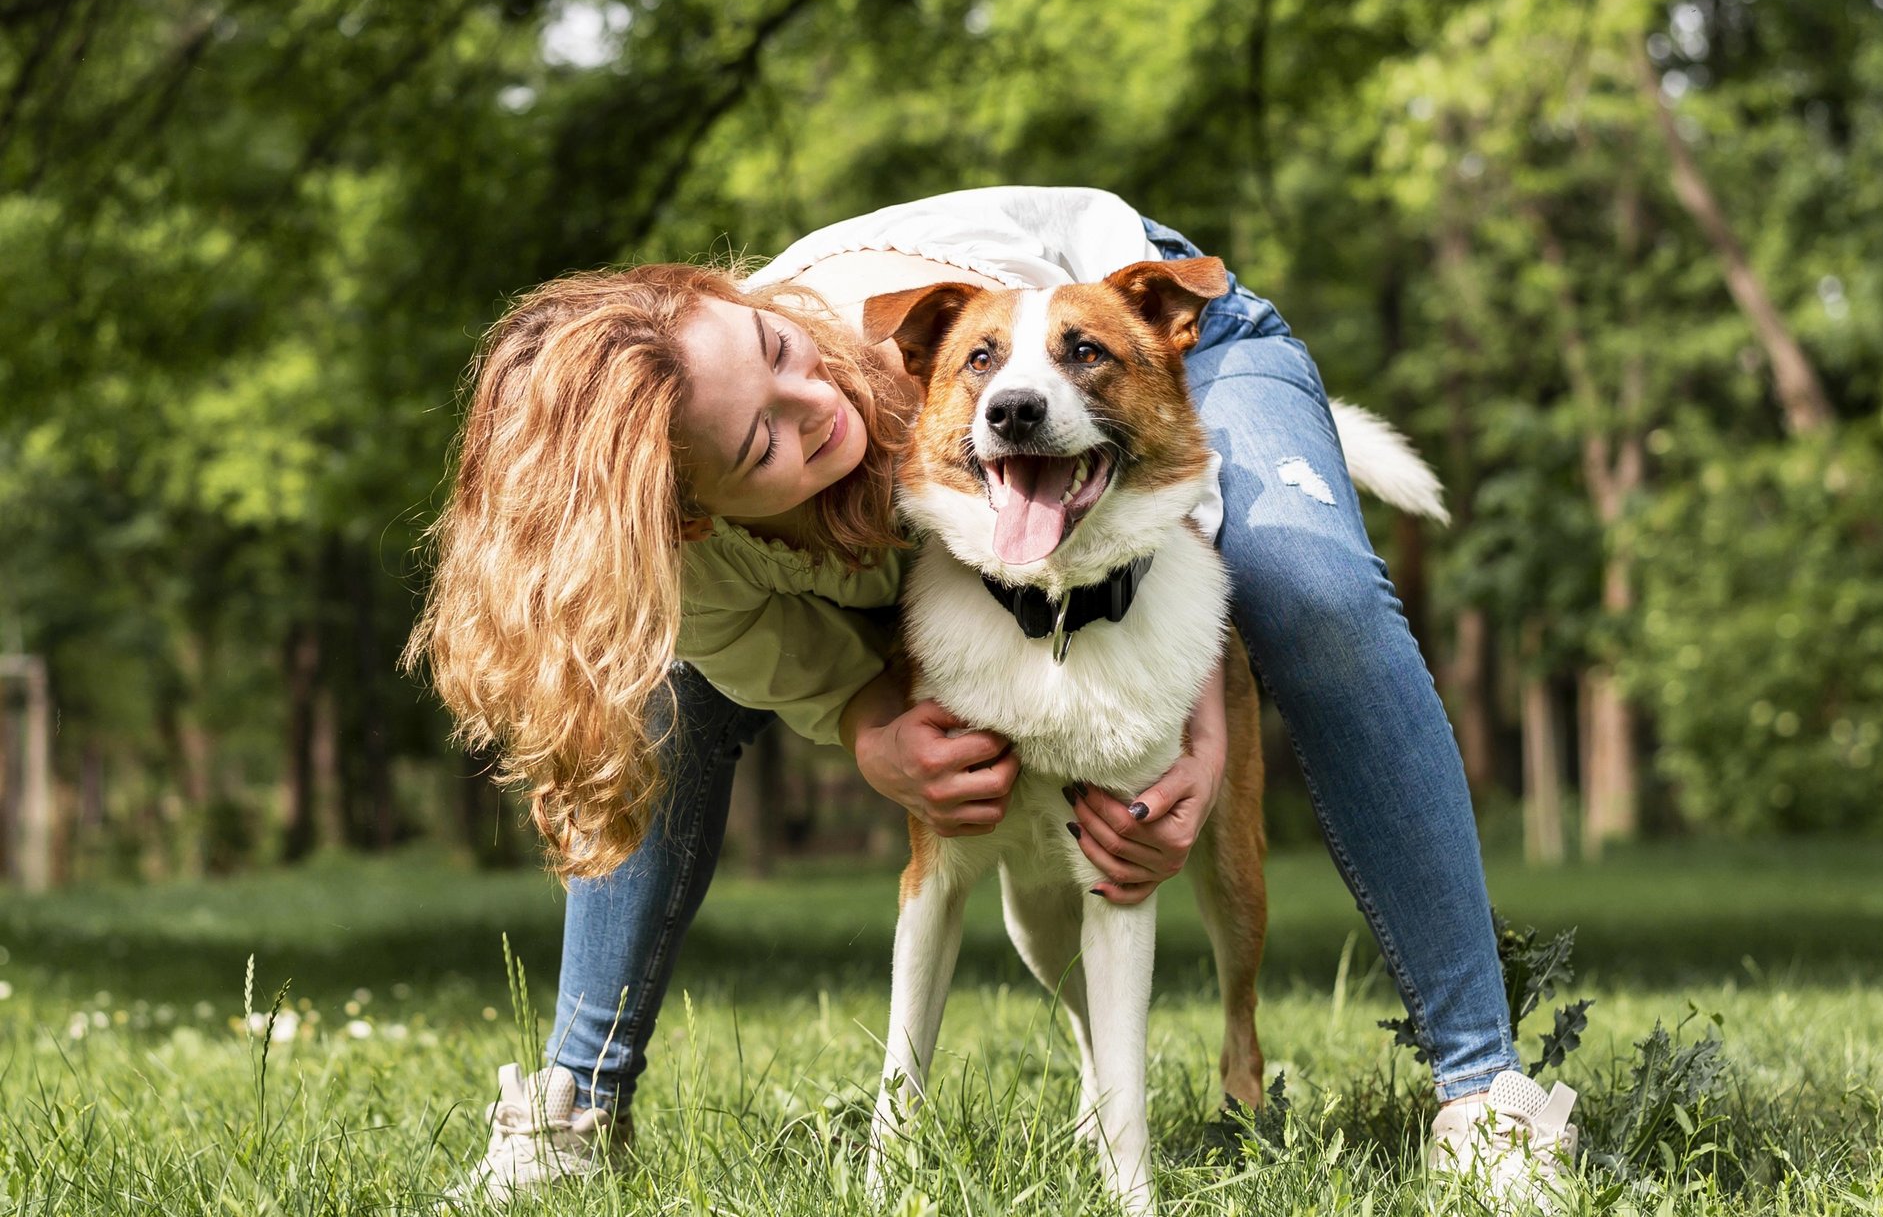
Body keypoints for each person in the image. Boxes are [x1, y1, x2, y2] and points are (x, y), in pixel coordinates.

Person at [406, 187, 1578, 1207]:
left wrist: (1202, 720)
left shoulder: (914, 338)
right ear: (691, 517)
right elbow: (786, 657)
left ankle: (1485, 1091)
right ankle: (574, 1104)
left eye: (774, 345)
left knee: (1309, 586)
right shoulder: (694, 562)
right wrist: (872, 728)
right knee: (663, 684)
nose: (813, 401)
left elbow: (1160, 476)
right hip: (1012, 500)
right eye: (763, 443)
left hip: (1153, 332)